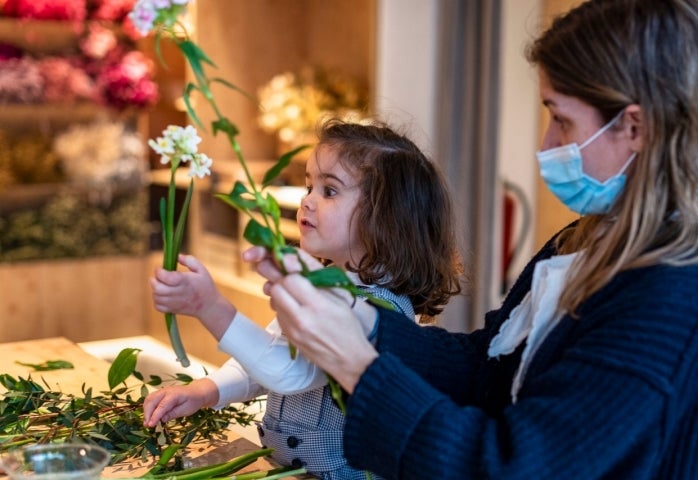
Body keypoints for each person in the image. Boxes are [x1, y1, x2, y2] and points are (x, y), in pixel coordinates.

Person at [247, 1, 698, 478]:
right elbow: (487, 366)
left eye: (561, 120)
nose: (546, 145)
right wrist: (355, 312)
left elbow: (514, 466)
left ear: (634, 128)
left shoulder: (675, 291)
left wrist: (355, 365)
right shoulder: (582, 240)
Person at [143, 119, 463, 480]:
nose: (306, 200)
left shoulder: (379, 311)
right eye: (309, 185)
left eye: (329, 191)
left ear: (385, 217)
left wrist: (210, 308)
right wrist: (208, 390)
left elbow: (289, 371)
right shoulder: (327, 285)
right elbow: (265, 357)